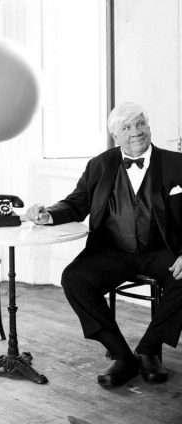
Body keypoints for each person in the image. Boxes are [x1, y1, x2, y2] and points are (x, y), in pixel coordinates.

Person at [26, 102, 182, 389]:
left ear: (149, 127)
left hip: (162, 250)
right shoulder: (100, 165)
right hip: (113, 250)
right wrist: (49, 214)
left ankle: (149, 348)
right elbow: (76, 203)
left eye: (140, 124)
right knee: (74, 279)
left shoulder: (176, 163)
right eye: (127, 127)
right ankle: (122, 355)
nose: (136, 132)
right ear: (115, 136)